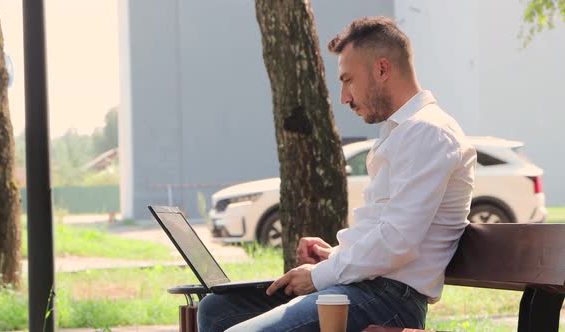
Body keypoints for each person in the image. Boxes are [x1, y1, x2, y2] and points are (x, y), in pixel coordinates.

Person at [197, 16, 476, 331]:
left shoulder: (429, 132)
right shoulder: (403, 131)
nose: (344, 97)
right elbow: (386, 230)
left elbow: (398, 242)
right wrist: (335, 255)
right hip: (365, 288)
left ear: (382, 69)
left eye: (347, 80)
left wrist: (318, 276)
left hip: (389, 301)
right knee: (217, 309)